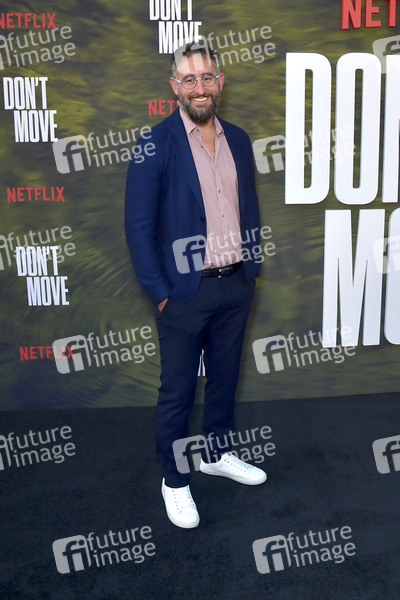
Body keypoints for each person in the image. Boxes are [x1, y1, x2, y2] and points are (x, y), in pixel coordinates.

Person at [125, 40, 266, 529]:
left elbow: (247, 207)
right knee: (179, 391)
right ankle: (174, 480)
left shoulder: (240, 140)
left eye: (207, 77)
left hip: (236, 284)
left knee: (225, 379)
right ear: (175, 86)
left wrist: (252, 268)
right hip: (185, 294)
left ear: (219, 82)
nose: (199, 87)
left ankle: (216, 454)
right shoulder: (155, 143)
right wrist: (162, 293)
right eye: (189, 79)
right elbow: (138, 227)